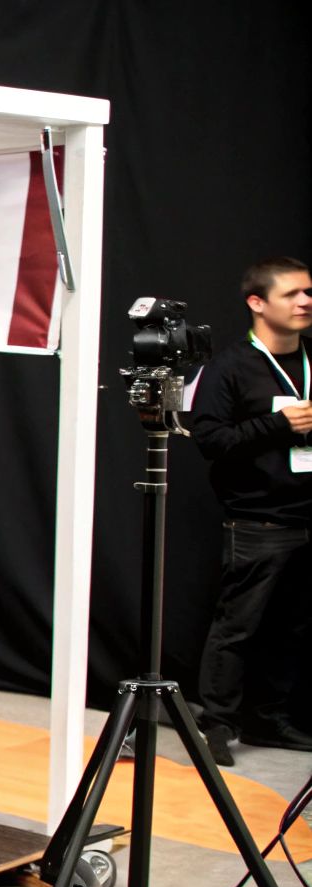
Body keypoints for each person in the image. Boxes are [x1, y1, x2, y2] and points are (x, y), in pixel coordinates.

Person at [189, 256, 312, 766]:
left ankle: (270, 720)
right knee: (237, 628)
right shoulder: (231, 366)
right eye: (292, 294)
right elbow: (210, 437)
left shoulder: (311, 358)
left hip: (309, 518)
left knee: (296, 628)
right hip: (258, 522)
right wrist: (279, 425)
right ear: (257, 303)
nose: (306, 301)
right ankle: (217, 725)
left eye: (308, 292)